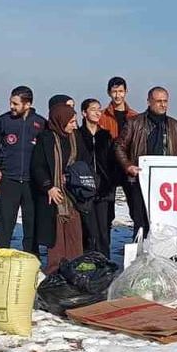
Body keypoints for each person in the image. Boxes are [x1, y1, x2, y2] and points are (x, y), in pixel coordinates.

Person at [116, 86, 177, 238]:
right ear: (149, 102)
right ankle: (140, 250)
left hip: (166, 184)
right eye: (158, 101)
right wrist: (128, 166)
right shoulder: (134, 123)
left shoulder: (175, 125)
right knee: (141, 222)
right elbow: (119, 147)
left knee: (165, 223)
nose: (163, 104)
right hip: (140, 181)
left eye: (165, 101)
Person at [0, 85, 46, 254]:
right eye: (11, 102)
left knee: (31, 224)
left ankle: (32, 257)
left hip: (32, 182)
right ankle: (0, 255)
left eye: (15, 104)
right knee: (5, 223)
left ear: (27, 104)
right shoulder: (2, 121)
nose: (11, 107)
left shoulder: (41, 123)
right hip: (9, 179)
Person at [32, 97, 83, 274]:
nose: (74, 126)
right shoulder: (46, 138)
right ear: (61, 121)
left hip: (73, 193)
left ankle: (75, 268)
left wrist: (73, 178)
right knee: (57, 235)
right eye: (71, 122)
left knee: (74, 232)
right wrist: (49, 187)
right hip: (53, 194)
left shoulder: (75, 137)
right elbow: (37, 166)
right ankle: (55, 271)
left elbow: (82, 162)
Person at [75, 98, 115, 256]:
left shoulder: (105, 136)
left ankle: (105, 260)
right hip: (84, 189)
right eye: (93, 109)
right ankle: (88, 260)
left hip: (104, 189)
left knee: (104, 229)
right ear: (84, 113)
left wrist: (111, 181)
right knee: (88, 230)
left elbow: (112, 161)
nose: (98, 113)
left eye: (99, 109)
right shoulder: (77, 135)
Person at [101, 76, 139, 234]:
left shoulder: (135, 116)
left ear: (126, 92)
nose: (118, 95)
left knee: (136, 209)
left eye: (121, 91)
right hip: (109, 167)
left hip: (128, 166)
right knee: (107, 212)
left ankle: (138, 242)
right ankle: (104, 244)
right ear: (109, 93)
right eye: (114, 91)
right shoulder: (102, 116)